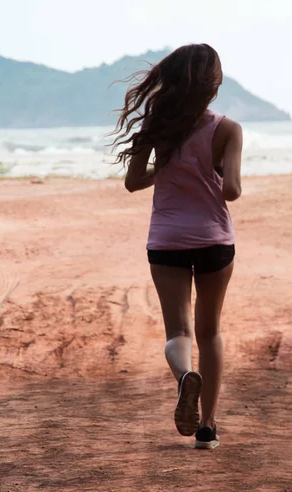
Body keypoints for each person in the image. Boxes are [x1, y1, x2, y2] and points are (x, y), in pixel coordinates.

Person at [111, 44, 243, 450]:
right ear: (213, 83)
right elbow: (232, 191)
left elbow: (133, 182)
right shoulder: (228, 129)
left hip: (167, 240)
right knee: (211, 332)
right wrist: (215, 170)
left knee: (178, 330)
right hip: (214, 240)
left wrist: (166, 168)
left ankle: (185, 375)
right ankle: (207, 427)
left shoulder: (156, 125)